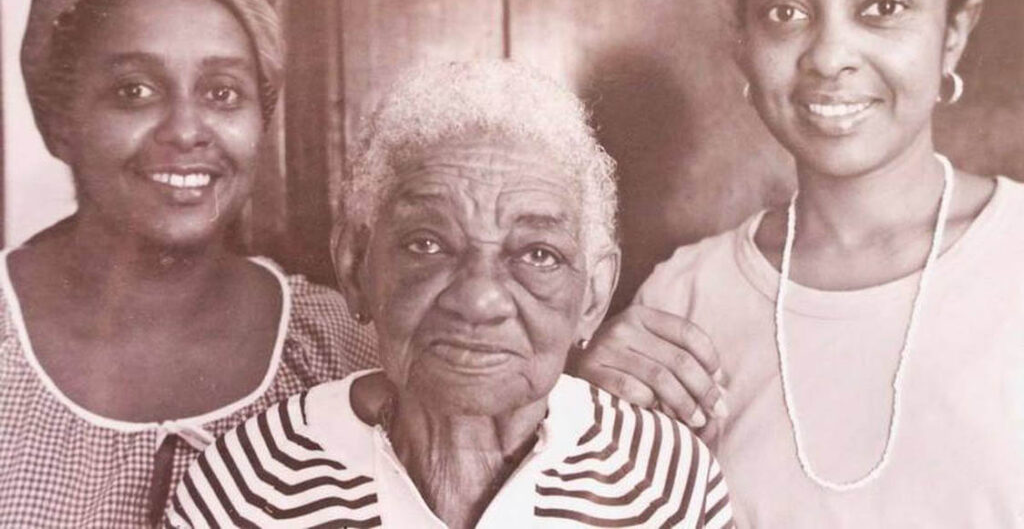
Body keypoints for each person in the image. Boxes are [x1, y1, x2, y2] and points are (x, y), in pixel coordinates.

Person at [576, 0, 1024, 527]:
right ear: (743, 43)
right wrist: (583, 418)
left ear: (953, 35)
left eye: (882, 6)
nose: (829, 55)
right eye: (785, 11)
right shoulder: (684, 304)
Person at [166, 60, 734, 528]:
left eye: (538, 254)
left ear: (593, 296)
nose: (479, 300)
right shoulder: (250, 482)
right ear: (355, 266)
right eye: (428, 244)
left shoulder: (665, 479)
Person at [0, 0, 377, 527]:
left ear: (262, 121)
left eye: (223, 93)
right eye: (134, 91)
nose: (185, 129)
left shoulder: (343, 347)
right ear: (61, 121)